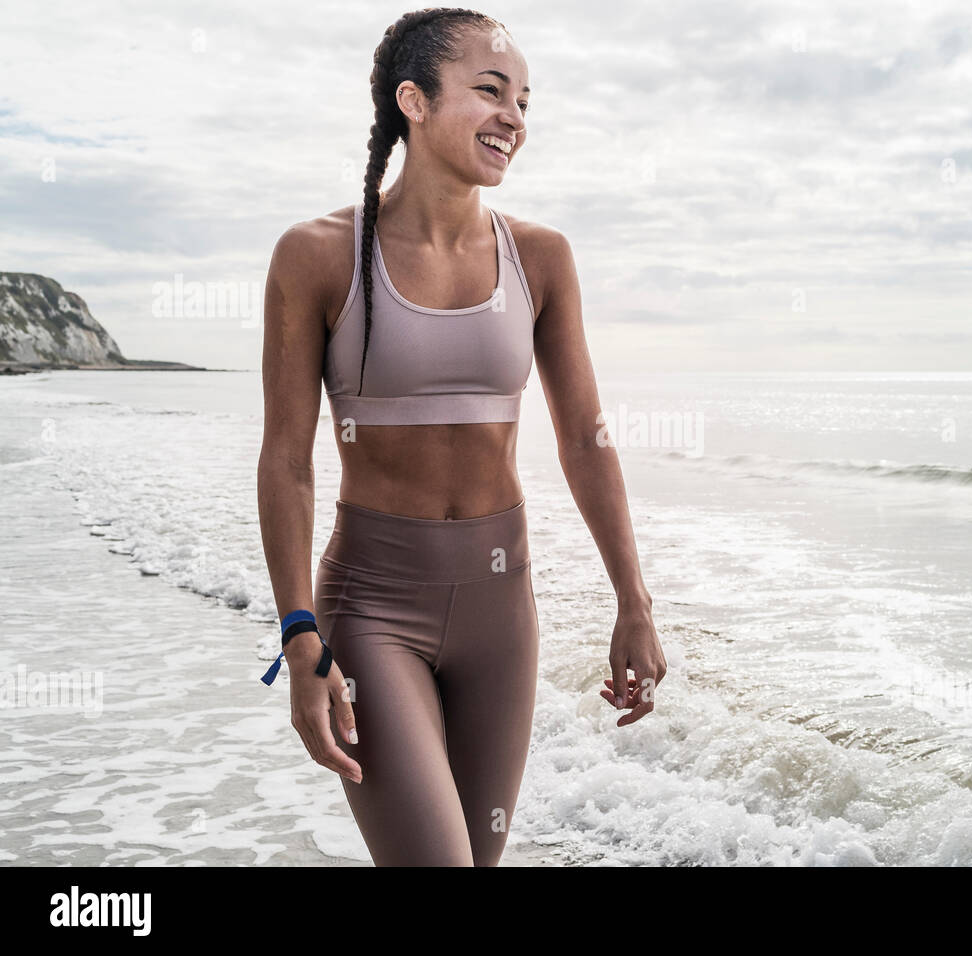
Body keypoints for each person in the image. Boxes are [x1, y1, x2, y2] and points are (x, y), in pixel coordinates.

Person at [256, 6, 666, 866]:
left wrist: (634, 602)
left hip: (501, 610)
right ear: (413, 99)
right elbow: (288, 460)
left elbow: (585, 440)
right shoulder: (318, 255)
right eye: (491, 91)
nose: (515, 117)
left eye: (524, 100)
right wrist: (300, 636)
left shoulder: (540, 258)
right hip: (371, 608)